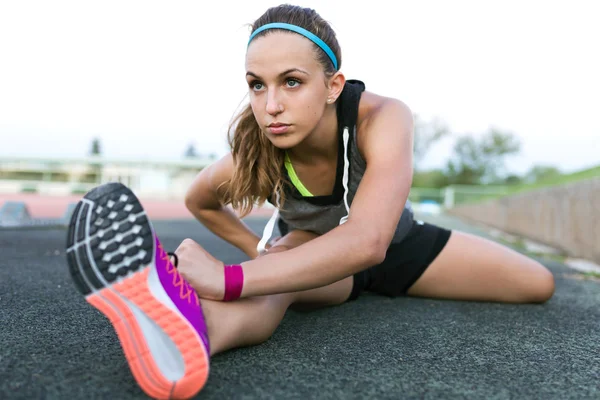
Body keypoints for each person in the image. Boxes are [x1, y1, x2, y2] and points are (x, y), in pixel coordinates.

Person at [65, 4, 555, 398]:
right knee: (279, 279)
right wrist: (260, 261)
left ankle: (218, 296)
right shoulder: (257, 147)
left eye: (291, 81)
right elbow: (201, 201)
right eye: (257, 85)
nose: (271, 104)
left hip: (396, 244)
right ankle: (194, 331)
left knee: (537, 283)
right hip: (308, 247)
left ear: (332, 85)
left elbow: (368, 241)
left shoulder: (380, 117)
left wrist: (229, 274)